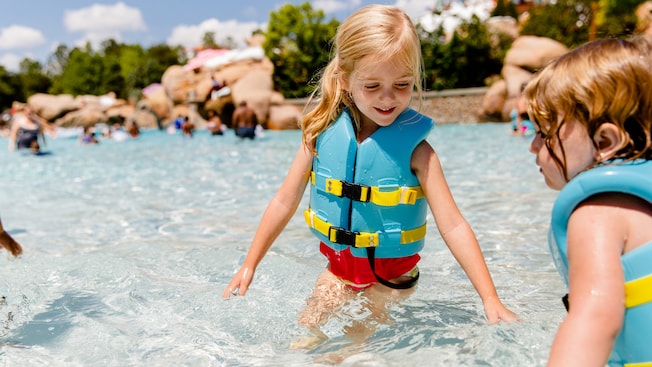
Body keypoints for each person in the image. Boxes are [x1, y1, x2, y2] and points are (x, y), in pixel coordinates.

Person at [223, 4, 517, 349]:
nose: (388, 98)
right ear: (346, 80)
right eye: (373, 85)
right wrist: (249, 263)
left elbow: (453, 225)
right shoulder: (320, 135)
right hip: (340, 268)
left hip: (392, 278)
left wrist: (490, 297)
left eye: (403, 85)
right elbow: (284, 200)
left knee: (355, 341)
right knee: (306, 332)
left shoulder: (419, 153)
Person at [524, 37, 652, 366]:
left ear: (604, 140)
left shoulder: (596, 213)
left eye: (545, 132)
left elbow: (594, 320)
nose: (533, 146)